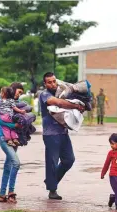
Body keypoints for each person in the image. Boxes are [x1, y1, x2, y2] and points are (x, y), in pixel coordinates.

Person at [39, 72, 85, 200]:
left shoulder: (62, 92)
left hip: (63, 133)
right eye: (49, 82)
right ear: (45, 84)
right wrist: (76, 105)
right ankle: (52, 190)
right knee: (52, 162)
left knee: (69, 160)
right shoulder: (44, 94)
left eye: (54, 81)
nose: (53, 84)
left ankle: (50, 180)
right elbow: (58, 103)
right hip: (50, 135)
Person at [0, 82, 24, 203]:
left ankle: (2, 195)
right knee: (16, 163)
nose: (20, 95)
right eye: (19, 92)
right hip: (4, 138)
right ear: (13, 89)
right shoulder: (1, 99)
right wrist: (13, 125)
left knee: (8, 166)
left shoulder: (16, 103)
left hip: (14, 139)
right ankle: (11, 192)